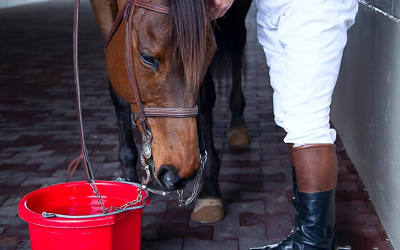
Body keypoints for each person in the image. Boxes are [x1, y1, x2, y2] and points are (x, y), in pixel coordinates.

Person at [249, 0, 358, 249]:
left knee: (307, 119)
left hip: (310, 6)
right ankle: (307, 237)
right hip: (271, 8)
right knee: (290, 119)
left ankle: (313, 244)